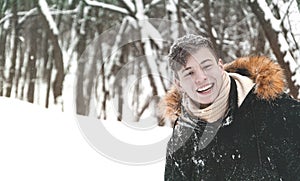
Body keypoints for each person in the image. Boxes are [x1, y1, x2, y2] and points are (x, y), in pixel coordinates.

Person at [159, 34, 300, 180]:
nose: (201, 78)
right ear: (179, 83)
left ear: (220, 66)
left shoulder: (274, 109)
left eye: (206, 66)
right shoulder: (182, 137)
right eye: (189, 73)